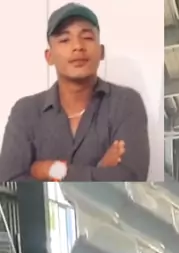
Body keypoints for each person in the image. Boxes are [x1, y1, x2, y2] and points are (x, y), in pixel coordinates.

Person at [0, 3, 150, 182]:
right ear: (49, 56)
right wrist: (100, 170)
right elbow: (9, 181)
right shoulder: (25, 112)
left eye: (87, 37)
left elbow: (132, 177)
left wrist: (51, 170)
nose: (78, 46)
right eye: (65, 40)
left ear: (101, 52)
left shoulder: (126, 103)